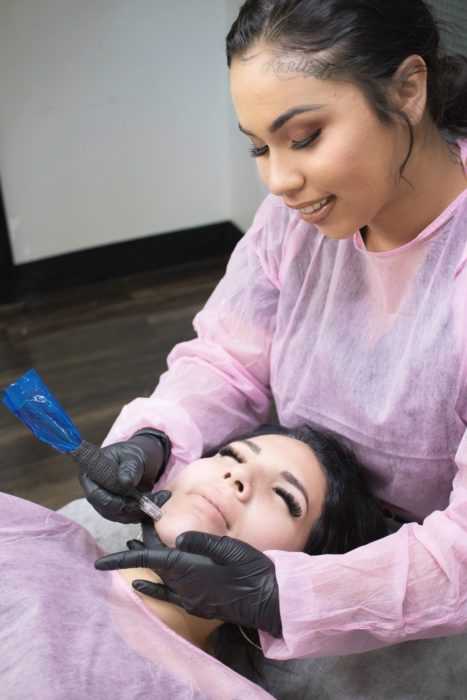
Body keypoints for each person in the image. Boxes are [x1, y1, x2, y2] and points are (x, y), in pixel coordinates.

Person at [78, 0, 467, 662]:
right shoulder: (299, 220)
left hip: (421, 588)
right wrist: (154, 438)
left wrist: (285, 598)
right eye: (259, 146)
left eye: (305, 136)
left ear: (407, 89)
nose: (279, 181)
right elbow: (228, 358)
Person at [0, 426, 386, 699]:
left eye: (284, 497)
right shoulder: (30, 533)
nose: (238, 474)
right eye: (230, 455)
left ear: (299, 572)